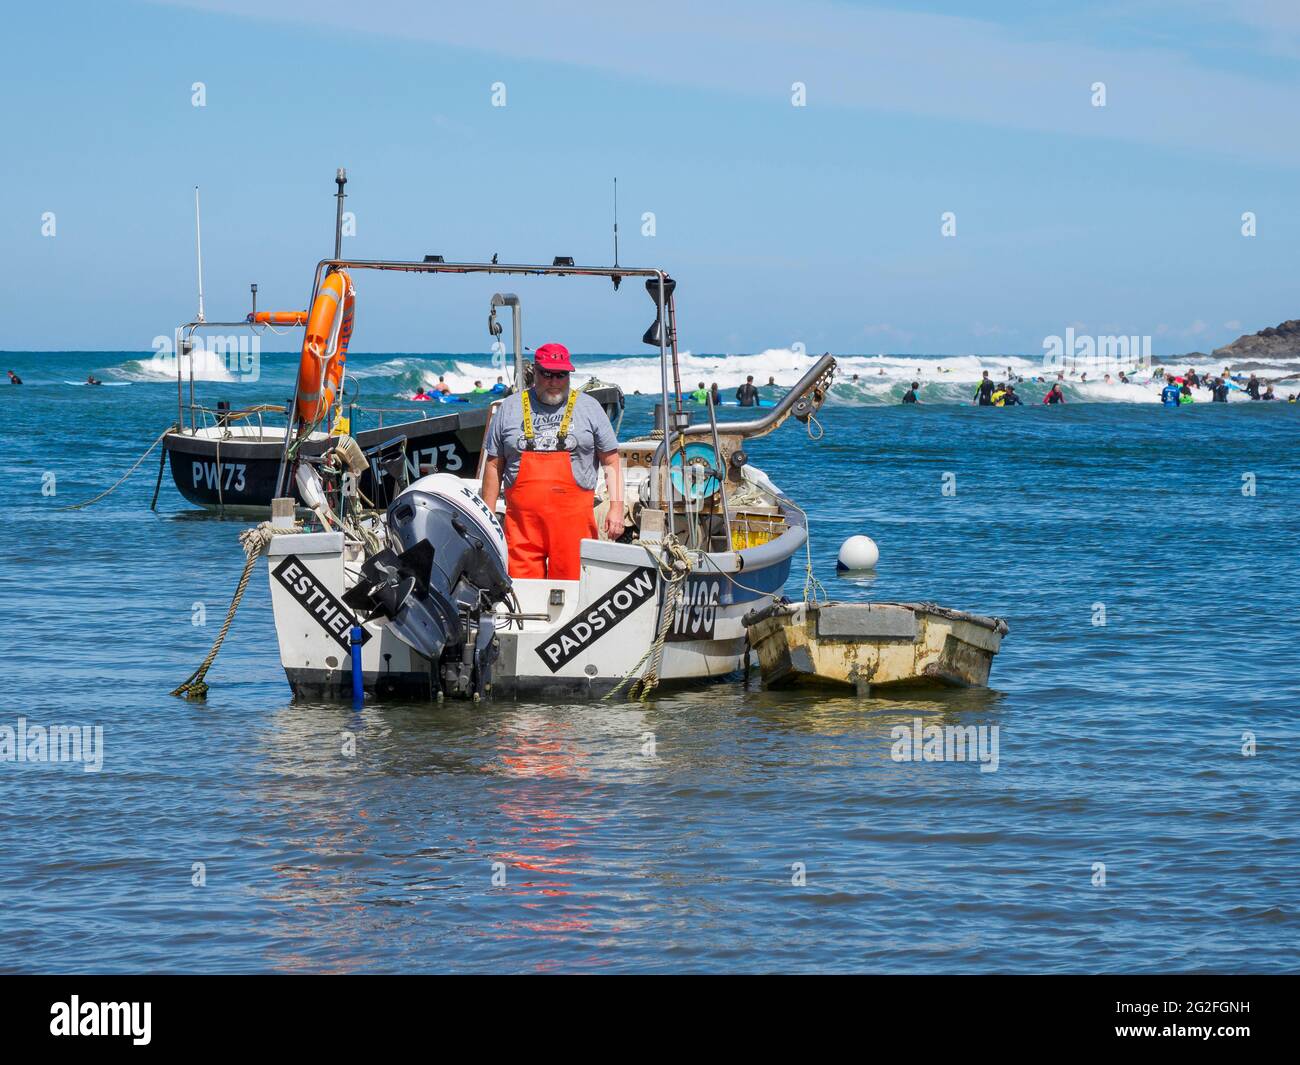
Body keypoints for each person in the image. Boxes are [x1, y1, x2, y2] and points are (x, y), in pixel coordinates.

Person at [481, 342, 623, 580]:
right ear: (534, 372)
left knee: (575, 589)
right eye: (547, 374)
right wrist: (486, 515)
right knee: (521, 593)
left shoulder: (589, 408)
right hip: (522, 528)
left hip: (573, 525)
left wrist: (616, 508)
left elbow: (611, 460)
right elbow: (494, 465)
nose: (554, 381)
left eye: (561, 375)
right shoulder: (509, 408)